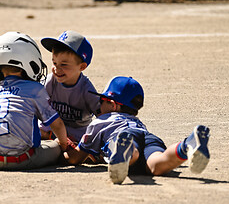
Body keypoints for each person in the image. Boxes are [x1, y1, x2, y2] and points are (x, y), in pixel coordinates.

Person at [64, 76, 211, 184]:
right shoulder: (135, 120)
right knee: (156, 165)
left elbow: (75, 158)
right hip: (147, 135)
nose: (98, 106)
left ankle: (125, 149)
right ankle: (187, 145)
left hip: (121, 135)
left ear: (113, 105)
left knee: (131, 151)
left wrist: (63, 150)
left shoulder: (101, 121)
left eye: (102, 101)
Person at [0, 31, 68, 170]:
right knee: (54, 146)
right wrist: (62, 145)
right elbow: (58, 124)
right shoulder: (35, 89)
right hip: (23, 160)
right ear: (29, 60)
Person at [39, 30, 101, 143]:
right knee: (38, 129)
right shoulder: (50, 81)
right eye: (54, 63)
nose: (57, 69)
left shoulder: (86, 89)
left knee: (90, 140)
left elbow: (103, 117)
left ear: (82, 67)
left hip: (77, 132)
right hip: (53, 129)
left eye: (64, 65)